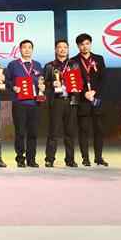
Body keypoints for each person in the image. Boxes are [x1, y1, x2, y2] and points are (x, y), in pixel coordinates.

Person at [5, 39, 44, 168]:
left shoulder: (37, 65)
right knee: (20, 132)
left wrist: (42, 87)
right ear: (20, 50)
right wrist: (13, 87)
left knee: (33, 133)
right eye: (24, 47)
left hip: (34, 103)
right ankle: (20, 158)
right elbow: (7, 81)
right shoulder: (13, 65)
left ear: (32, 50)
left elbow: (41, 81)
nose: (27, 50)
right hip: (19, 103)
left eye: (29, 47)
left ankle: (31, 159)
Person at [71, 33, 108, 167]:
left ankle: (98, 157)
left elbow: (103, 79)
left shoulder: (99, 59)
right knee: (83, 130)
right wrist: (84, 93)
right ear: (78, 46)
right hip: (82, 100)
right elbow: (72, 81)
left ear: (90, 44)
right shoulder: (73, 61)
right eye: (82, 44)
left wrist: (94, 91)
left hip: (96, 99)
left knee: (99, 130)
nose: (85, 46)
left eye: (87, 44)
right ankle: (85, 158)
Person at [42, 40, 80, 168]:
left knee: (70, 132)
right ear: (55, 50)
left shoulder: (74, 65)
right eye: (60, 47)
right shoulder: (49, 66)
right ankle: (49, 159)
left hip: (71, 100)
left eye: (65, 47)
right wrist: (52, 84)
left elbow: (79, 81)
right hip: (56, 101)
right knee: (53, 131)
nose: (62, 49)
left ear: (68, 50)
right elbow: (43, 83)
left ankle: (70, 159)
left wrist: (76, 87)